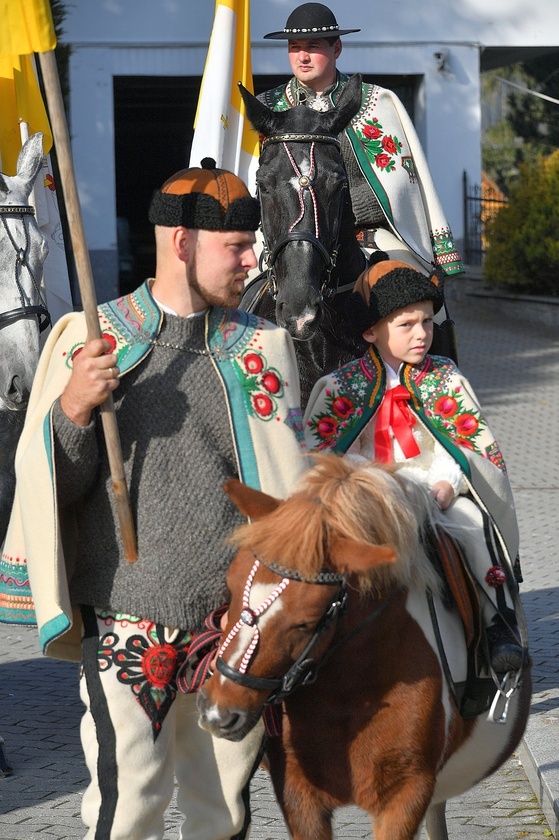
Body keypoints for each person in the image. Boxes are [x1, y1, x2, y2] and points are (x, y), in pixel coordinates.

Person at [3, 158, 308, 839]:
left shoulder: (262, 348)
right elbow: (56, 488)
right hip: (125, 623)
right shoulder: (90, 341)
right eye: (236, 246)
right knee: (128, 810)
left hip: (234, 632)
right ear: (182, 243)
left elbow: (288, 496)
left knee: (222, 813)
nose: (251, 258)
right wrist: (74, 410)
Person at [303, 252, 524, 677]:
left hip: (435, 492)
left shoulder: (445, 379)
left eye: (426, 321)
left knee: (474, 528)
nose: (421, 333)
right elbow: (325, 454)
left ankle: (499, 624)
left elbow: (469, 446)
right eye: (406, 325)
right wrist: (369, 488)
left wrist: (447, 484)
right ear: (371, 331)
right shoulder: (340, 387)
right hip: (371, 497)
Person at [259, 2, 464, 278]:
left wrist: (341, 212)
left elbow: (398, 184)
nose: (302, 56)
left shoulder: (377, 102)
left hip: (364, 237)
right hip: (284, 241)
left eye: (314, 46)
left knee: (416, 289)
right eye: (294, 47)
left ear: (337, 48)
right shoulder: (267, 109)